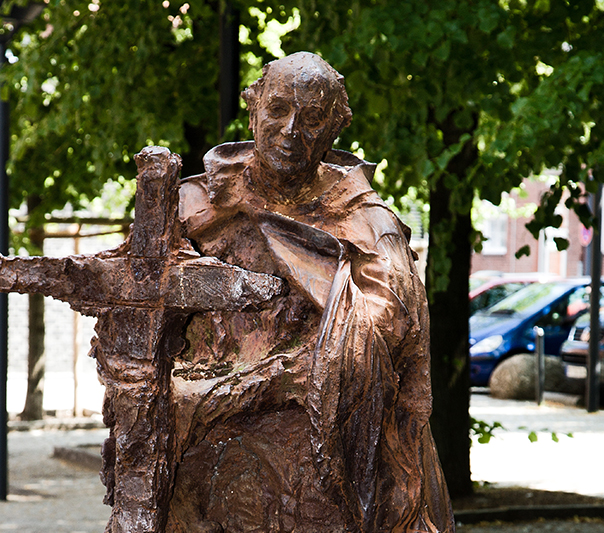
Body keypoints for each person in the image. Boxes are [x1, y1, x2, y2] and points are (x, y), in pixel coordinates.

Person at [170, 52, 454, 533]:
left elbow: (389, 323)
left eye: (312, 118)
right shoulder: (194, 205)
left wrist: (278, 378)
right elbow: (139, 302)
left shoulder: (366, 220)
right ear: (253, 106)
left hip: (317, 443)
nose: (289, 130)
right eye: (278, 109)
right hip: (201, 443)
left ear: (334, 128)